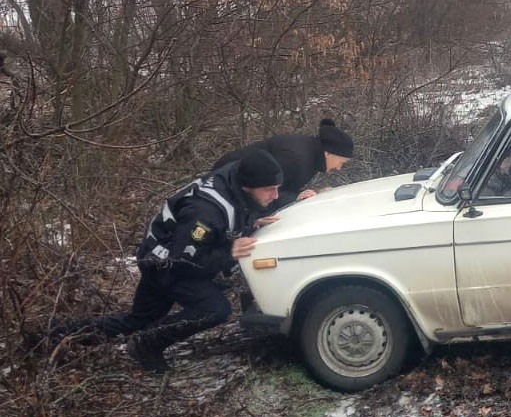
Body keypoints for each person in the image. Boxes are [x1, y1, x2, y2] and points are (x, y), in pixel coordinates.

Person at [45, 149, 284, 373]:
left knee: (136, 321)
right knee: (215, 309)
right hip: (168, 266)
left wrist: (250, 222)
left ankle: (53, 334)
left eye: (277, 188)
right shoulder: (205, 211)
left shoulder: (235, 177)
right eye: (269, 189)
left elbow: (235, 212)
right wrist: (229, 253)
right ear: (247, 186)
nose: (275, 196)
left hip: (162, 257)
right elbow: (186, 262)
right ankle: (147, 343)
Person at [212, 117, 354, 211]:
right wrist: (295, 197)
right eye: (341, 162)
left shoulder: (310, 155)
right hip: (225, 186)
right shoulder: (296, 158)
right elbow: (263, 190)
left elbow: (282, 186)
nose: (339, 168)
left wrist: (306, 194)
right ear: (328, 153)